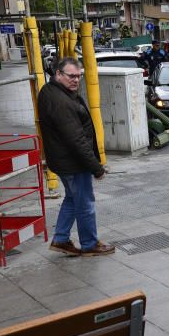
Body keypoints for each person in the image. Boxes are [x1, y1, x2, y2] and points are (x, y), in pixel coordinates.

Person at [38, 58, 115, 256]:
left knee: (72, 199)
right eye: (71, 76)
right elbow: (76, 139)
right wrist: (96, 168)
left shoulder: (52, 90)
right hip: (73, 162)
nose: (76, 80)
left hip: (64, 159)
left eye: (79, 76)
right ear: (58, 74)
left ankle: (61, 239)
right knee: (85, 202)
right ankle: (90, 244)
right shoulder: (60, 101)